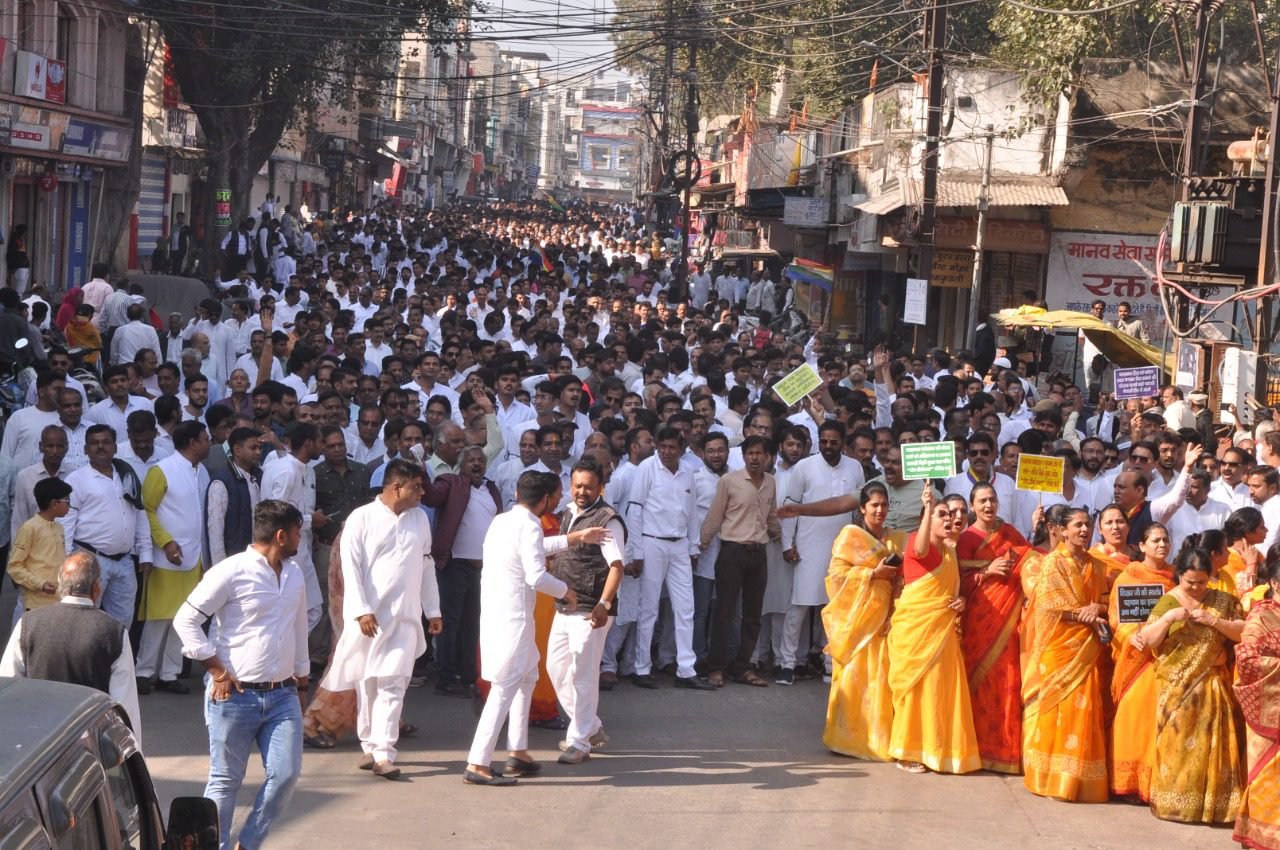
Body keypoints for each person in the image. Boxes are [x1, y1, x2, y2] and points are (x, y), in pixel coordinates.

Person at [174, 500, 311, 850]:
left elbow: (299, 628)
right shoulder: (230, 571)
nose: (301, 538)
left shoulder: (294, 573)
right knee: (225, 781)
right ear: (281, 535)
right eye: (298, 532)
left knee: (285, 776)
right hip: (233, 696)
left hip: (283, 695)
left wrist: (302, 678)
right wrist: (216, 669)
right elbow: (185, 621)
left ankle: (248, 843)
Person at [326, 459, 441, 779]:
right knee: (368, 683)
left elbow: (427, 564)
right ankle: (369, 744)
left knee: (394, 682)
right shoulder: (361, 518)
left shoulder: (419, 519)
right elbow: (351, 567)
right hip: (369, 618)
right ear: (396, 487)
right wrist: (362, 610)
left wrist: (433, 610)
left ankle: (384, 751)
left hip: (405, 617)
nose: (423, 492)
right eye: (417, 486)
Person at [464, 471, 580, 785]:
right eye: (555, 498)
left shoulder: (503, 521)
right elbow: (536, 576)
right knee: (504, 688)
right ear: (546, 500)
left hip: (501, 615)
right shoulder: (528, 525)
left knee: (527, 677)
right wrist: (565, 591)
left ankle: (518, 751)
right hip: (513, 620)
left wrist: (572, 538)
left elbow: (534, 547)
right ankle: (478, 762)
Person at [1138, 538, 1246, 824]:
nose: (1197, 588)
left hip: (1213, 685)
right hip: (1177, 689)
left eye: (1202, 582)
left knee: (1214, 747)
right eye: (1190, 583)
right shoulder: (1169, 601)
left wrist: (1215, 622)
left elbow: (1243, 631)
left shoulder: (1223, 601)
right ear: (1179, 576)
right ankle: (1176, 805)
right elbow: (1147, 640)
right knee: (1177, 747)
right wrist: (1169, 618)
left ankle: (1213, 806)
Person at [0, 551, 142, 745]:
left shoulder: (29, 624)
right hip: (86, 746)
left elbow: (8, 686)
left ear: (60, 586)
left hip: (36, 741)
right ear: (97, 588)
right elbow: (125, 705)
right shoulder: (114, 632)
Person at [885, 487, 979, 774]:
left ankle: (940, 750)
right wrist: (928, 507)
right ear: (928, 518)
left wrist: (961, 600)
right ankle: (906, 750)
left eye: (950, 515)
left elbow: (953, 587)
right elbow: (923, 548)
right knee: (917, 690)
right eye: (942, 515)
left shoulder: (950, 551)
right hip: (918, 630)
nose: (948, 519)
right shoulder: (917, 543)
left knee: (941, 691)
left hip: (944, 630)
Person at [1022, 506, 1109, 803]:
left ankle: (1079, 780)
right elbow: (1049, 606)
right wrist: (1081, 613)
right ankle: (1050, 778)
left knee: (1086, 709)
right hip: (1059, 647)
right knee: (1057, 710)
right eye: (1078, 525)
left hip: (1087, 647)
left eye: (1088, 525)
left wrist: (1096, 609)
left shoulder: (1097, 566)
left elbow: (1106, 601)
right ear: (1062, 529)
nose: (1084, 530)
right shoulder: (1053, 563)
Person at [546, 458, 625, 764]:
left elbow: (616, 567)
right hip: (565, 605)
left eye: (588, 487)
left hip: (591, 609)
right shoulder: (568, 512)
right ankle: (590, 725)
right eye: (577, 486)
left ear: (600, 488)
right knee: (556, 668)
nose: (581, 492)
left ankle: (579, 741)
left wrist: (604, 604)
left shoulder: (608, 520)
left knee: (584, 674)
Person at [822, 481, 905, 761]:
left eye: (884, 505)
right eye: (874, 505)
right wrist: (872, 574)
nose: (880, 510)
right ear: (862, 508)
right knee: (854, 676)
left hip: (886, 615)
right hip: (856, 619)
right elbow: (835, 575)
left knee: (881, 677)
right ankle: (845, 738)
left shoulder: (896, 539)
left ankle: (877, 737)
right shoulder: (851, 536)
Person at [624, 427, 711, 690]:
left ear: (681, 448)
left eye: (672, 447)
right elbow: (635, 510)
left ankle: (686, 670)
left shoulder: (688, 472)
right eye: (662, 447)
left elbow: (692, 513)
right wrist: (636, 552)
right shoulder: (647, 468)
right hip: (652, 543)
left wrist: (694, 548)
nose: (666, 452)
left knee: (685, 608)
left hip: (680, 545)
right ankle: (642, 668)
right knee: (648, 608)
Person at [953, 482, 1030, 774]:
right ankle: (976, 747)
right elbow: (955, 579)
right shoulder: (966, 538)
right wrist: (986, 572)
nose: (988, 505)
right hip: (979, 620)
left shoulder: (1010, 533)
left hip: (1008, 621)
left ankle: (1006, 750)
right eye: (982, 501)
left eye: (992, 500)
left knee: (1008, 679)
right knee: (978, 677)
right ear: (973, 506)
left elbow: (1030, 560)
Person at [779, 420, 862, 684]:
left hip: (842, 550)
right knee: (800, 607)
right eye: (824, 441)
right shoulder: (804, 467)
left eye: (833, 442)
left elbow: (860, 511)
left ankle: (831, 663)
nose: (828, 446)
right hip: (808, 546)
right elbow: (790, 507)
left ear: (843, 442)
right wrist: (787, 544)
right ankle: (787, 663)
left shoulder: (855, 467)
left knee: (835, 609)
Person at [700, 434, 781, 688]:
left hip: (759, 553)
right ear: (743, 456)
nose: (755, 458)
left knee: (753, 614)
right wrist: (700, 545)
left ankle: (743, 668)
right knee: (724, 612)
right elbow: (715, 516)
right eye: (750, 453)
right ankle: (716, 668)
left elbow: (771, 517)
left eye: (759, 453)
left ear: (767, 457)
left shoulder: (770, 482)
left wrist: (783, 539)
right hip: (732, 552)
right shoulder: (729, 481)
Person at [139, 420, 211, 694]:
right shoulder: (161, 470)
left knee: (181, 618)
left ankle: (169, 674)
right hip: (167, 556)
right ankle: (144, 671)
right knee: (158, 618)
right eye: (205, 438)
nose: (209, 443)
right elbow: (147, 510)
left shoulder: (201, 471)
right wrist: (165, 542)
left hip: (194, 556)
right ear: (193, 442)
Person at [1107, 522, 1177, 802]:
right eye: (1156, 540)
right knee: (1133, 715)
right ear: (1142, 546)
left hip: (1167, 657)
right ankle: (1127, 781)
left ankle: (1153, 782)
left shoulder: (1176, 577)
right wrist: (1130, 637)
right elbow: (1116, 618)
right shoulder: (1129, 577)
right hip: (1136, 659)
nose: (1162, 545)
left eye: (1165, 540)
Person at [62, 424, 153, 626]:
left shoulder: (127, 474)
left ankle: (116, 658)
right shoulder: (76, 480)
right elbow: (66, 522)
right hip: (90, 560)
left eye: (106, 442)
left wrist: (146, 553)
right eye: (94, 443)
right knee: (85, 620)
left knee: (122, 623)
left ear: (115, 447)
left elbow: (139, 513)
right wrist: (66, 561)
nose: (100, 447)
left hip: (125, 562)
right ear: (86, 449)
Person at [1233, 548, 1280, 849]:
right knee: (1268, 775)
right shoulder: (1261, 617)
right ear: (1275, 583)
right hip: (1269, 707)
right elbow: (1247, 661)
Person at [6, 477, 72, 611]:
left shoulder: (59, 528)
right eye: (67, 501)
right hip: (37, 602)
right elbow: (14, 566)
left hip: (58, 599)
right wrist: (40, 584)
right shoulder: (30, 528)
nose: (69, 506)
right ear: (54, 503)